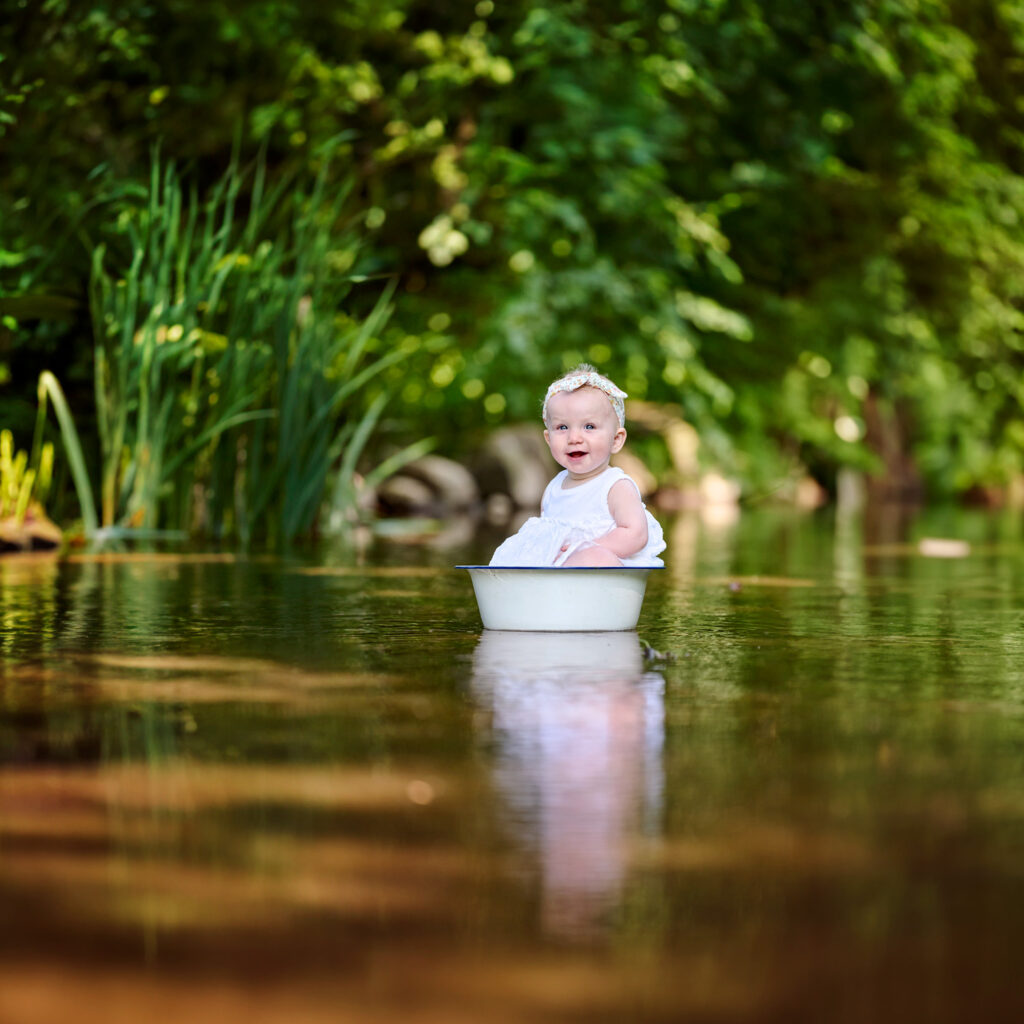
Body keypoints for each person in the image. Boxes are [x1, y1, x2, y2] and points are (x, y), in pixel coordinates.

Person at [489, 365, 666, 567]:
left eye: (589, 427)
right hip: (560, 580)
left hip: (605, 579)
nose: (574, 438)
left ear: (616, 440)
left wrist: (585, 548)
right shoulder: (553, 489)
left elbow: (635, 534)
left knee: (597, 557)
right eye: (562, 427)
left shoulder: (615, 486)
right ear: (548, 439)